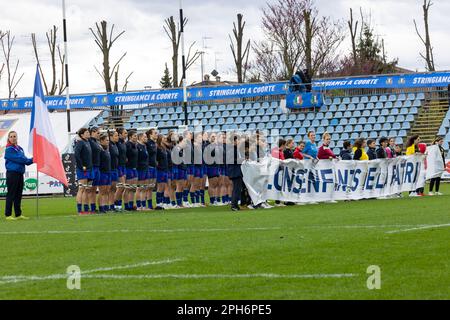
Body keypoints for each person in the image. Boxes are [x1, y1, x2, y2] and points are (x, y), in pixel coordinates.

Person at [4, 131, 33, 220]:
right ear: (8, 138)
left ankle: (18, 214)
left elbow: (24, 160)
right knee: (11, 194)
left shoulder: (20, 148)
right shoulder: (9, 149)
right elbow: (21, 159)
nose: (13, 138)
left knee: (18, 195)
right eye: (11, 136)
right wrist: (34, 159)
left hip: (20, 174)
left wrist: (31, 160)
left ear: (17, 137)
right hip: (12, 174)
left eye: (15, 136)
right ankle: (8, 215)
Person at [74, 128, 93, 215]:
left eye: (88, 132)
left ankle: (85, 209)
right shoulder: (80, 143)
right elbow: (76, 155)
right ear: (82, 135)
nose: (88, 133)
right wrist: (82, 166)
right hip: (83, 169)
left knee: (86, 189)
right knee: (81, 189)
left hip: (89, 169)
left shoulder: (87, 142)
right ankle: (79, 210)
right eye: (86, 132)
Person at [227, 134, 244, 212]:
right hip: (234, 171)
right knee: (236, 189)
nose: (239, 141)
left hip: (237, 170)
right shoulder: (231, 149)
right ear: (234, 141)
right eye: (238, 140)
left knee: (237, 188)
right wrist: (241, 160)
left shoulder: (235, 149)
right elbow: (231, 160)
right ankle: (234, 205)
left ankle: (235, 205)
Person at [88, 127, 103, 213]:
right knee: (90, 189)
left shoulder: (96, 142)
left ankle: (94, 207)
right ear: (92, 132)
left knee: (94, 189)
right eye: (98, 133)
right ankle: (91, 207)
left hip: (97, 166)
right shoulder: (89, 141)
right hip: (92, 167)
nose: (99, 135)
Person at [124, 131, 139, 211]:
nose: (136, 137)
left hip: (134, 168)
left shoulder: (135, 145)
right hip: (128, 168)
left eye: (136, 136)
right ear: (130, 137)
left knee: (133, 188)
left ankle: (131, 204)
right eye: (134, 136)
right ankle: (127, 206)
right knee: (128, 188)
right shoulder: (127, 145)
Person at [114, 128, 128, 211]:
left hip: (123, 166)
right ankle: (115, 205)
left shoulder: (123, 143)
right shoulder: (117, 143)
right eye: (125, 133)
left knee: (123, 187)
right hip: (118, 166)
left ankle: (119, 205)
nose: (126, 135)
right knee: (121, 186)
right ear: (119, 134)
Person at [98, 134, 112, 214]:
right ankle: (101, 207)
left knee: (107, 190)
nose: (108, 142)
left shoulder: (106, 149)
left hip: (108, 171)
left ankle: (106, 206)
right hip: (102, 172)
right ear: (101, 141)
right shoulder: (100, 150)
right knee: (102, 191)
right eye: (106, 140)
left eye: (108, 140)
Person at [155, 134, 169, 210]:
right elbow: (156, 159)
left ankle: (162, 202)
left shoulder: (164, 148)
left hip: (165, 169)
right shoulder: (157, 148)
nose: (165, 139)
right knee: (160, 187)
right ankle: (158, 203)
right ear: (160, 139)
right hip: (160, 169)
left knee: (163, 187)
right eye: (164, 138)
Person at [136, 133, 149, 211]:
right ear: (140, 137)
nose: (146, 138)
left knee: (144, 188)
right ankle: (138, 206)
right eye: (145, 137)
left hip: (145, 168)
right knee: (139, 188)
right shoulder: (138, 146)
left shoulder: (144, 146)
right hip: (140, 169)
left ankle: (143, 206)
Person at [146, 129, 158, 210]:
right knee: (148, 187)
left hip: (154, 167)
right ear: (150, 135)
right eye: (155, 133)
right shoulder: (148, 143)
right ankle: (146, 204)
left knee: (151, 187)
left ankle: (150, 205)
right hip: (149, 167)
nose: (156, 134)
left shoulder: (154, 143)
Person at [108, 130, 120, 212]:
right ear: (111, 137)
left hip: (115, 169)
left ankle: (112, 206)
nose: (117, 137)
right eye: (116, 136)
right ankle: (108, 205)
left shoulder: (115, 145)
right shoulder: (109, 145)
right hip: (110, 169)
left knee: (113, 189)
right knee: (109, 189)